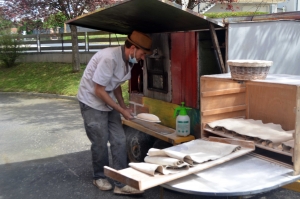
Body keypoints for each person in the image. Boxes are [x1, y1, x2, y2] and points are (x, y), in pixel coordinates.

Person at [77, 31, 152, 195]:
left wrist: (123, 106)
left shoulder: (129, 61)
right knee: (100, 141)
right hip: (92, 101)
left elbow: (116, 83)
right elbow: (98, 90)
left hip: (107, 99)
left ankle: (121, 182)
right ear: (133, 48)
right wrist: (120, 110)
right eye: (142, 53)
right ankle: (99, 177)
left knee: (119, 139)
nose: (143, 57)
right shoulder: (109, 58)